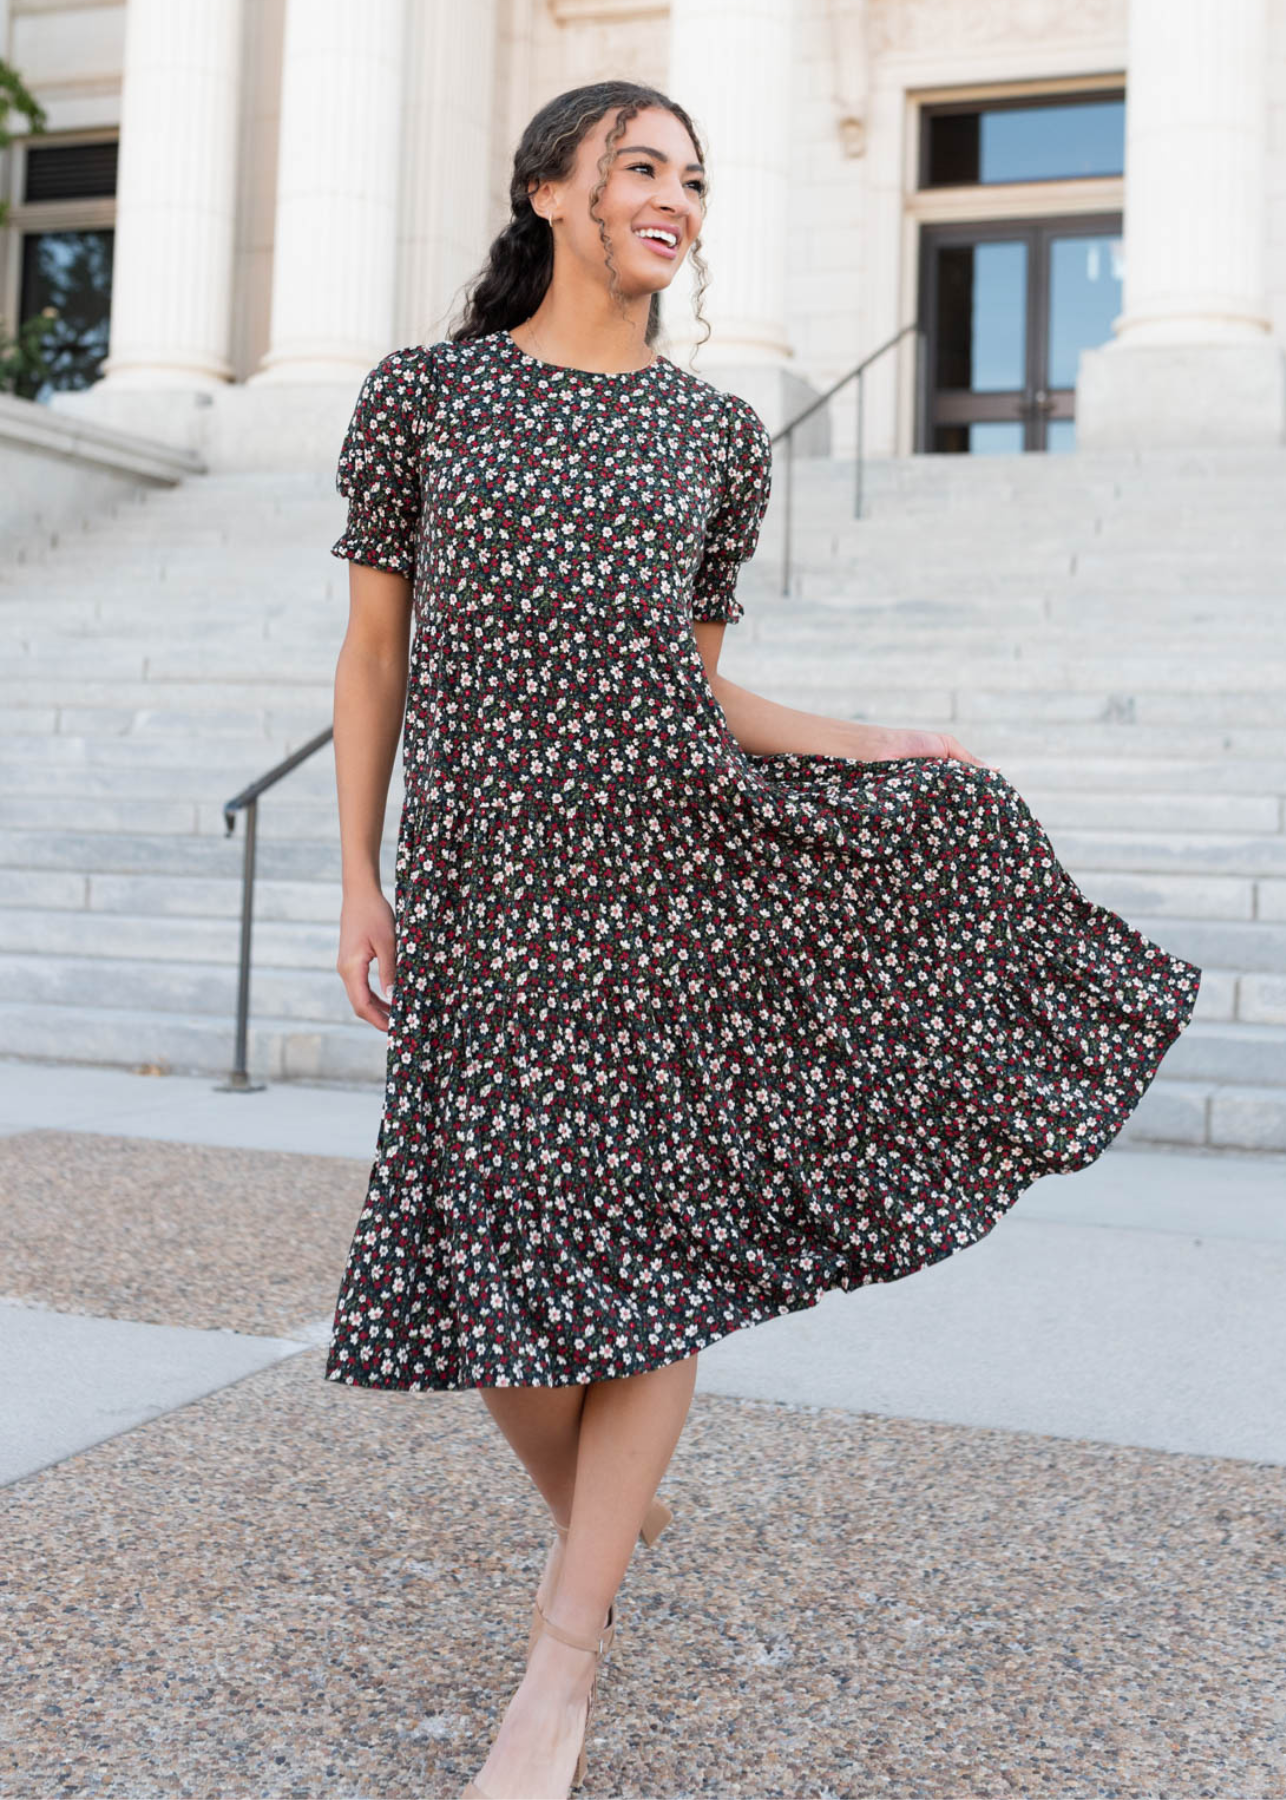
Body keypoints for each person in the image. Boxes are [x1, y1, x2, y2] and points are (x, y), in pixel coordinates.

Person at [324, 78, 1202, 1800]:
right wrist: (360, 880)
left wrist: (868, 743)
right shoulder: (422, 399)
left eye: (695, 180)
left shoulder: (713, 435)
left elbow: (697, 684)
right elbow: (373, 659)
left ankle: (558, 1667)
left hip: (663, 874)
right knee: (491, 1266)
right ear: (550, 193)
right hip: (488, 883)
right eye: (640, 169)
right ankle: (606, 1534)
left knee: (644, 1260)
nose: (675, 199)